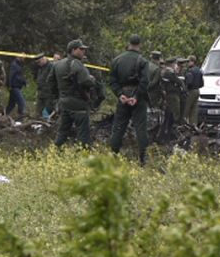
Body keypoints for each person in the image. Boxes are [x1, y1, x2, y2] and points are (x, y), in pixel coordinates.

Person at [107, 36, 158, 164]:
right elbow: (145, 81)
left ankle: (113, 156)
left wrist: (120, 94)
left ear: (128, 43)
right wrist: (136, 97)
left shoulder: (117, 60)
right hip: (138, 98)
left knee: (118, 127)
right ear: (139, 44)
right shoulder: (142, 61)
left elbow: (112, 80)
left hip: (123, 96)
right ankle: (142, 159)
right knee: (141, 128)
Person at [52, 40, 98, 147]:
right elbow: (86, 82)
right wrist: (92, 80)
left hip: (64, 103)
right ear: (73, 50)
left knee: (62, 131)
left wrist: (58, 98)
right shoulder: (77, 63)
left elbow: (51, 83)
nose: (84, 52)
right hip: (79, 104)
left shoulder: (57, 64)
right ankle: (84, 154)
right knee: (83, 133)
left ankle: (56, 150)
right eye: (81, 49)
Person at [35, 54, 57, 118]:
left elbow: (52, 80)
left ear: (43, 59)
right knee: (39, 111)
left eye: (39, 62)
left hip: (49, 94)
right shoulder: (41, 68)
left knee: (47, 110)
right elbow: (40, 80)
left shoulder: (51, 67)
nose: (38, 64)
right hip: (41, 93)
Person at [182, 58, 204, 125]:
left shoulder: (190, 71)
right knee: (194, 110)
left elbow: (189, 82)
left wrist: (185, 89)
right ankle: (193, 124)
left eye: (188, 61)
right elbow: (202, 83)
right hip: (197, 90)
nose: (187, 63)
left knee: (186, 108)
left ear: (193, 62)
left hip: (191, 91)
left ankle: (184, 124)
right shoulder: (199, 70)